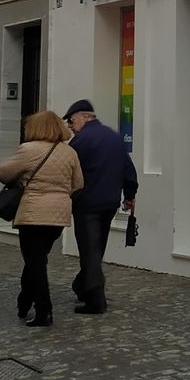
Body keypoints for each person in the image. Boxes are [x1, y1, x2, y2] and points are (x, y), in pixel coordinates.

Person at [0, 109, 83, 328]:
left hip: (33, 213)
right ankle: (24, 301)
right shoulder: (69, 152)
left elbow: (2, 172)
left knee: (35, 262)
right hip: (58, 215)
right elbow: (78, 184)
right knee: (37, 260)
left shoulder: (28, 149)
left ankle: (44, 311)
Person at [63, 99, 137, 315]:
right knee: (96, 247)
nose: (69, 126)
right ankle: (82, 286)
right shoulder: (114, 137)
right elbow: (128, 169)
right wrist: (130, 195)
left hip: (86, 204)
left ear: (83, 117)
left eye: (71, 121)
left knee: (89, 249)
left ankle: (96, 300)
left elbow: (70, 172)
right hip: (109, 203)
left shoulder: (80, 142)